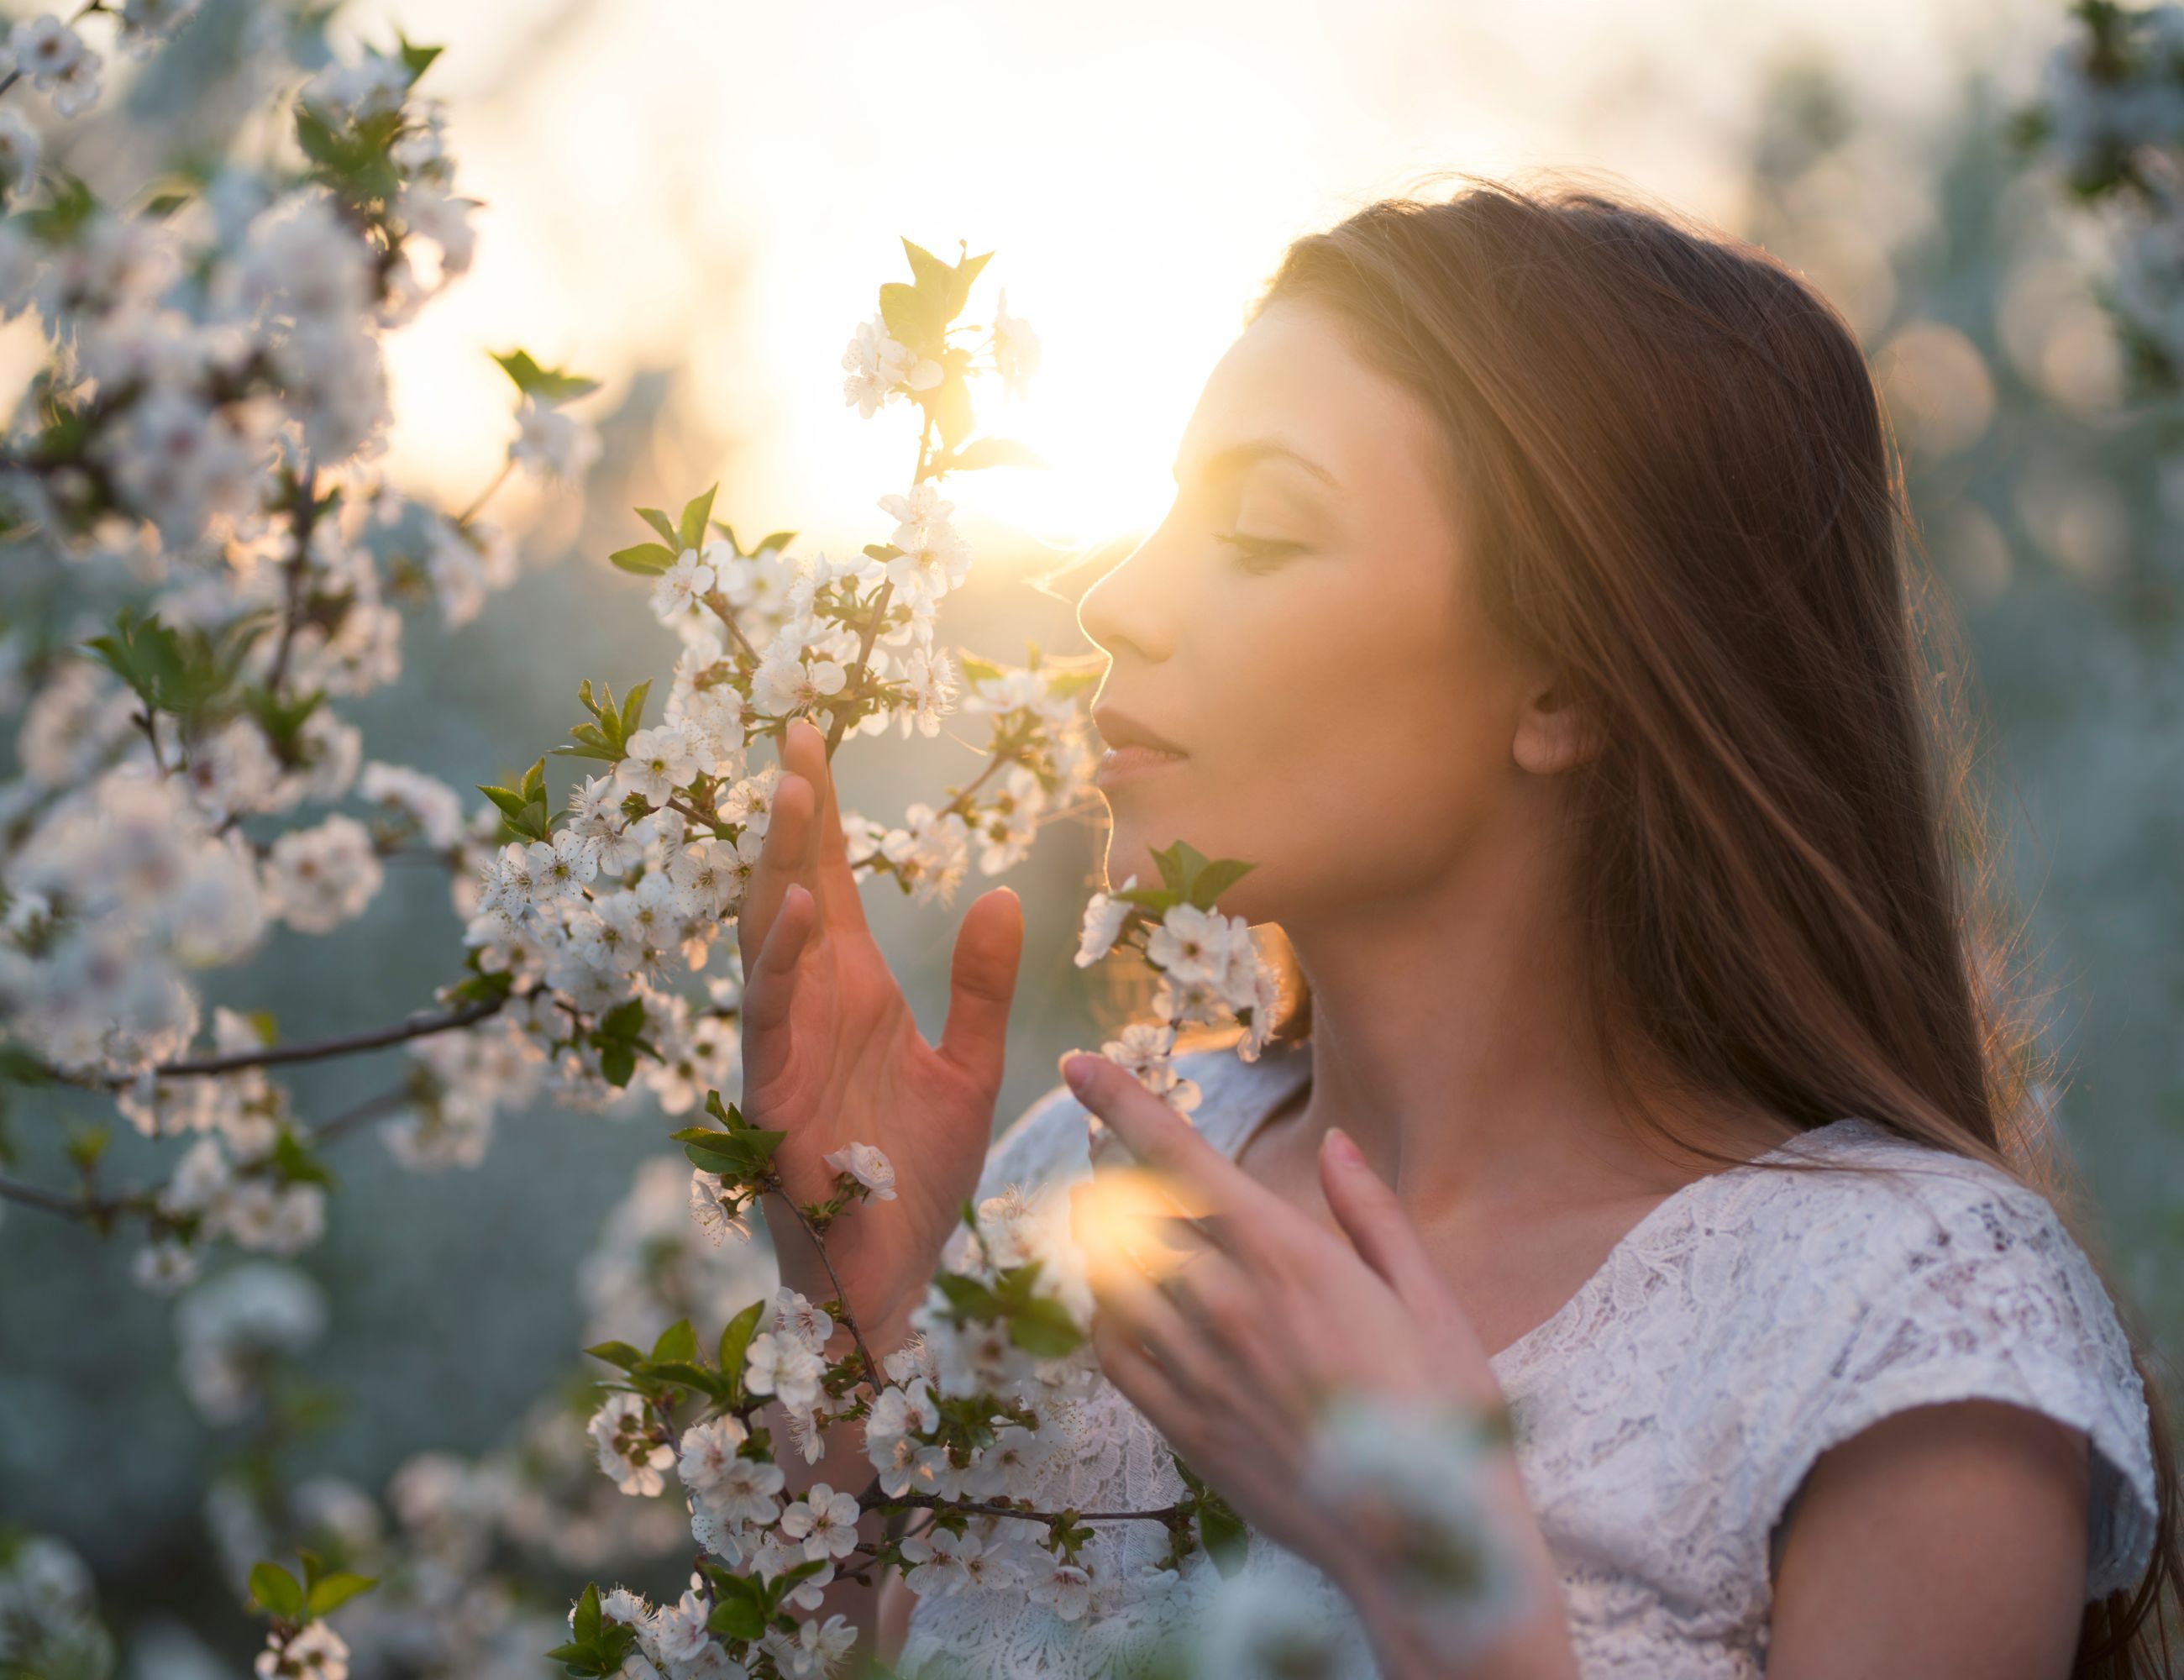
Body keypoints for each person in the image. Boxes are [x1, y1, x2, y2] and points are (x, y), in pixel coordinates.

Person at [732, 173, 2181, 1677]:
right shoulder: (1087, 1181)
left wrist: (1446, 1597)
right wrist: (856, 1339)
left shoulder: (1909, 1326)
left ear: (1565, 684)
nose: (1120, 601)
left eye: (1267, 529)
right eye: (1168, 512)